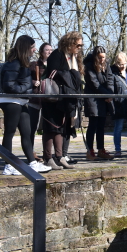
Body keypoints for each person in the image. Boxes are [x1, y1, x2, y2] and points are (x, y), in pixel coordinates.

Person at [0, 35, 51, 175]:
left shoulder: (23, 62)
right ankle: (8, 165)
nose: (34, 50)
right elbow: (8, 86)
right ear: (25, 48)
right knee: (9, 132)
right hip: (10, 101)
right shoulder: (13, 63)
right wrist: (26, 89)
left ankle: (32, 163)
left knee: (26, 133)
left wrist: (25, 91)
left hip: (20, 101)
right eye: (32, 47)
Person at [42, 31, 83, 170]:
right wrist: (70, 75)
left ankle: (59, 157)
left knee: (60, 128)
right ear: (70, 43)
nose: (79, 48)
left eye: (81, 45)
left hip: (64, 98)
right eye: (78, 45)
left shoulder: (72, 58)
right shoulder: (57, 54)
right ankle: (48, 158)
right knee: (50, 128)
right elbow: (52, 73)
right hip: (53, 97)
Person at [84, 46, 115, 160]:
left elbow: (110, 79)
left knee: (101, 126)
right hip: (93, 98)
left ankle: (101, 149)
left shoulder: (106, 64)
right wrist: (106, 94)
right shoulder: (89, 66)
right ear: (96, 57)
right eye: (100, 57)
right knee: (93, 125)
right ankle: (90, 151)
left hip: (103, 98)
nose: (103, 60)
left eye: (104, 57)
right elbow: (94, 83)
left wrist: (109, 94)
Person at [28, 43, 52, 161]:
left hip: (49, 100)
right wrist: (33, 82)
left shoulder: (53, 65)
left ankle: (48, 153)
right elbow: (26, 78)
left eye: (51, 50)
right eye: (47, 50)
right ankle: (31, 152)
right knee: (32, 127)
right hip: (36, 99)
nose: (49, 52)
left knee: (49, 128)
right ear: (41, 51)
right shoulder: (34, 65)